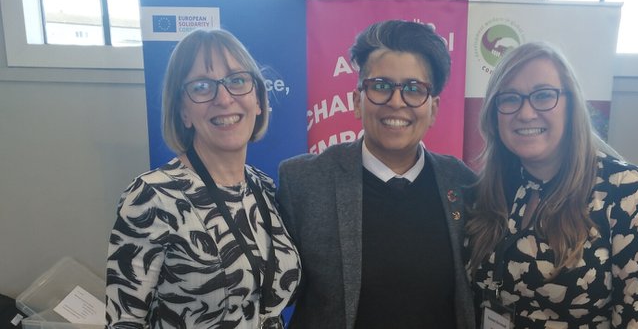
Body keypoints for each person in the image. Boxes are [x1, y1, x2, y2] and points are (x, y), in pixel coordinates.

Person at [277, 20, 477, 329]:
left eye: (414, 89)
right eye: (381, 86)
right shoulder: (304, 182)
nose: (396, 103)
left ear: (433, 109)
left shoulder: (463, 184)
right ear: (358, 101)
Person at [466, 42, 638, 328]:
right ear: (494, 112)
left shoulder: (626, 192)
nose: (525, 113)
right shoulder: (490, 188)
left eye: (543, 95)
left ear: (572, 104)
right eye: (510, 98)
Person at [106, 29, 301, 328]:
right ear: (183, 111)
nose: (224, 98)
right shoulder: (152, 197)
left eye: (237, 81)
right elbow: (124, 321)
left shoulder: (264, 188)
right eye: (201, 87)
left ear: (259, 99)